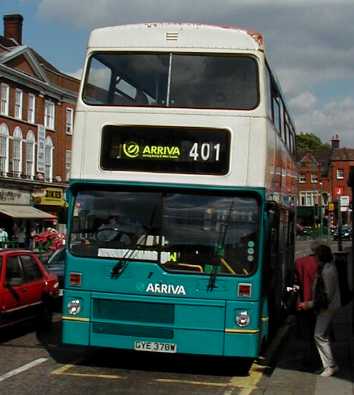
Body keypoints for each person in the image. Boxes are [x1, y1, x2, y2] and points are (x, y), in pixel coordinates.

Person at [297, 244, 341, 377]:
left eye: (316, 255)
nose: (314, 257)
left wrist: (308, 305)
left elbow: (327, 296)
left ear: (320, 256)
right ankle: (329, 365)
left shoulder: (328, 271)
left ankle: (330, 366)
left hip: (327, 308)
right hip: (326, 307)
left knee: (319, 335)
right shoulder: (325, 268)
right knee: (323, 335)